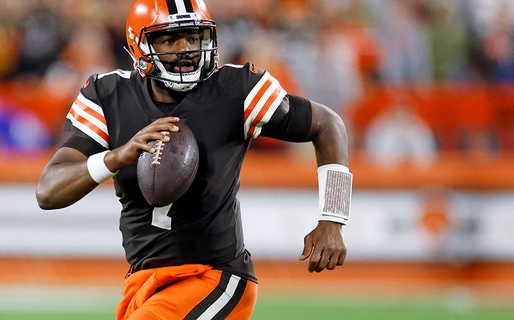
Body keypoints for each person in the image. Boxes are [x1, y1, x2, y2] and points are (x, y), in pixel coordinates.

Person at [36, 0, 352, 319]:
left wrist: (334, 216)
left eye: (192, 37)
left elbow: (328, 124)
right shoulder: (109, 96)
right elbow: (48, 192)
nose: (185, 49)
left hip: (215, 277)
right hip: (146, 281)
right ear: (140, 44)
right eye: (170, 39)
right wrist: (115, 157)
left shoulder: (236, 89)